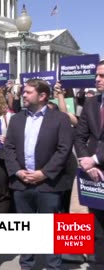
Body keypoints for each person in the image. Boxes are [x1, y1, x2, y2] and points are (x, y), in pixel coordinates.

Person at [4, 79, 73, 270]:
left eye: (28, 92)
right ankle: (27, 265)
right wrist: (17, 171)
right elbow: (8, 147)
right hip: (22, 183)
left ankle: (53, 266)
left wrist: (44, 173)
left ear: (42, 96)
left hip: (48, 184)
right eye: (23, 92)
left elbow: (64, 150)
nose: (23, 95)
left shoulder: (60, 119)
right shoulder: (17, 119)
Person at [74, 60, 104, 269]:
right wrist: (87, 163)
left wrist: (95, 159)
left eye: (102, 76)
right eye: (97, 75)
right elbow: (80, 135)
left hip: (97, 162)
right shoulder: (92, 103)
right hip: (92, 173)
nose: (97, 79)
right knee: (97, 223)